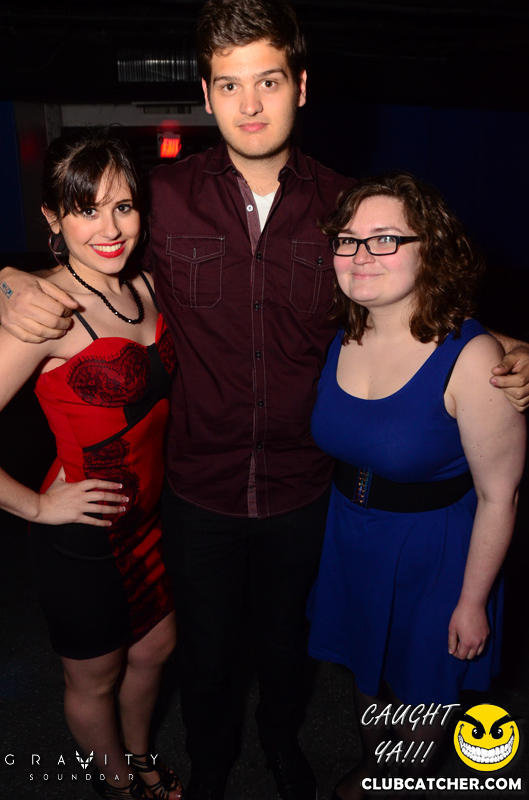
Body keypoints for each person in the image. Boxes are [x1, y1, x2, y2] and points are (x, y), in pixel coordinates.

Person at [0, 4, 528, 800]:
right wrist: (10, 282)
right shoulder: (162, 198)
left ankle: (282, 746)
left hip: (304, 489)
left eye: (269, 82)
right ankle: (211, 762)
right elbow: (89, 252)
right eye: (229, 85)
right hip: (195, 490)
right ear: (205, 95)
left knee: (288, 646)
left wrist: (511, 343)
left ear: (301, 87)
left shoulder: (345, 208)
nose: (248, 105)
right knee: (205, 652)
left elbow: (416, 297)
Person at [307, 172, 526, 800]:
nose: (360, 254)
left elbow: (500, 495)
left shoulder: (475, 359)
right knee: (367, 670)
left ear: (432, 248)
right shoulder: (345, 333)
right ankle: (376, 766)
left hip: (435, 554)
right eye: (347, 240)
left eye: (385, 239)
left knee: (421, 694)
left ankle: (400, 779)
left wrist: (472, 602)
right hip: (352, 534)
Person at [0, 128, 182, 800]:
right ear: (52, 218)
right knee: (94, 678)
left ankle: (140, 756)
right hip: (82, 537)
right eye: (86, 209)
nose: (110, 229)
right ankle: (118, 784)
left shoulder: (146, 284)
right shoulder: (43, 313)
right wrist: (37, 504)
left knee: (156, 650)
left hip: (150, 521)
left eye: (123, 206)